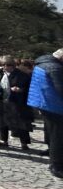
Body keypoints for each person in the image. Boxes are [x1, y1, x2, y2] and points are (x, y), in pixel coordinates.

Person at [28, 48, 63, 178]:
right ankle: (56, 165)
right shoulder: (55, 68)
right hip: (55, 105)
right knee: (58, 136)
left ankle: (51, 152)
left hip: (43, 102)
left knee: (50, 131)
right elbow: (61, 88)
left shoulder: (42, 63)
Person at [0, 57, 33, 150]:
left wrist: (21, 89)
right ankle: (3, 140)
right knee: (1, 121)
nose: (5, 67)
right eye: (2, 65)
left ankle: (24, 143)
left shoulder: (21, 75)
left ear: (13, 65)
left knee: (21, 122)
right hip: (0, 100)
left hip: (17, 101)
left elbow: (29, 88)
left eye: (8, 65)